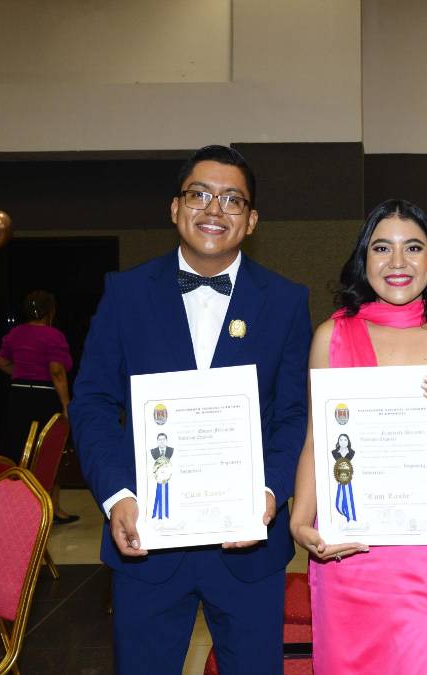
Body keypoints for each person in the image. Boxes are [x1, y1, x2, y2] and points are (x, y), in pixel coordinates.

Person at [69, 145, 311, 674]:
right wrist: (117, 495)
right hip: (146, 538)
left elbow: (292, 413)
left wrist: (269, 492)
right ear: (175, 208)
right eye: (199, 194)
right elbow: (92, 402)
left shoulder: (286, 301)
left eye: (231, 199)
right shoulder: (125, 293)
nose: (214, 209)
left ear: (251, 220)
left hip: (249, 545)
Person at [289, 199, 427, 675]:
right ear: (364, 259)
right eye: (382, 248)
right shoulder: (331, 336)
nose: (397, 261)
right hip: (350, 538)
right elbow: (317, 439)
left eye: (413, 248)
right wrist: (299, 520)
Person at [0, 290, 78, 522]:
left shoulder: (15, 333)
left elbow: (1, 362)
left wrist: (23, 373)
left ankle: (21, 506)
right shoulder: (53, 335)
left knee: (21, 450)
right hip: (45, 397)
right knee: (51, 451)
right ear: (50, 311)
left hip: (19, 396)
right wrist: (66, 404)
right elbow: (57, 371)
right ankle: (52, 508)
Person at [149, 432, 174, 520]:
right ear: (157, 441)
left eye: (163, 439)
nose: (162, 441)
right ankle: (158, 514)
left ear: (166, 440)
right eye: (160, 439)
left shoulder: (171, 450)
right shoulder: (153, 451)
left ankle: (165, 514)